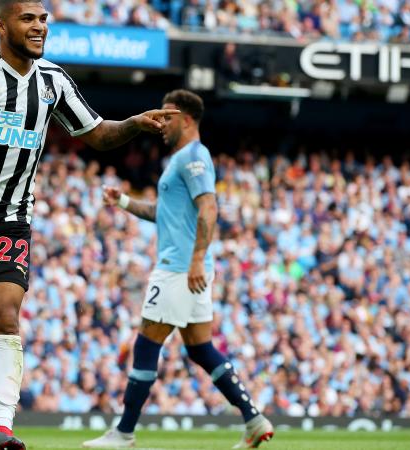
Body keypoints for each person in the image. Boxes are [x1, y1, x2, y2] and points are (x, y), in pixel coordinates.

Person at [0, 1, 180, 449]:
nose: (39, 27)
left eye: (43, 19)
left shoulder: (53, 81)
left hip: (9, 220)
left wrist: (133, 124)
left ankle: (3, 428)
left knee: (6, 316)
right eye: (28, 19)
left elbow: (96, 133)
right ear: (1, 25)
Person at [82, 90, 275, 449]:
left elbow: (209, 208)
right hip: (191, 267)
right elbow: (162, 213)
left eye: (166, 118)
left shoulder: (194, 157)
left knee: (146, 344)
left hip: (180, 268)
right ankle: (253, 419)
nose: (160, 125)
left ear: (185, 119)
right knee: (200, 348)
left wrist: (198, 258)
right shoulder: (180, 161)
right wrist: (122, 201)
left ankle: (123, 432)